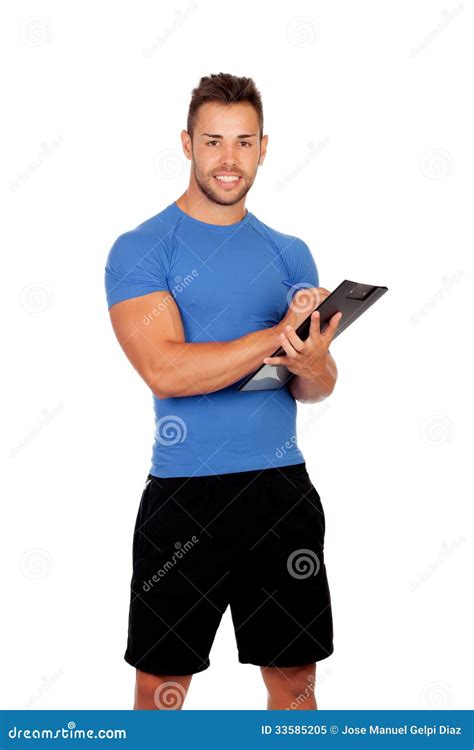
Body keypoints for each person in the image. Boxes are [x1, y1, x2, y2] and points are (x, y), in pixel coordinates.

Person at [104, 72, 341, 710]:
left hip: (282, 489)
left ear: (264, 147)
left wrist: (311, 357)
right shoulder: (142, 248)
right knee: (163, 692)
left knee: (295, 688)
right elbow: (167, 371)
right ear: (187, 144)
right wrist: (278, 334)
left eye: (243, 142)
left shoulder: (290, 253)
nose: (228, 160)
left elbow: (314, 387)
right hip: (186, 497)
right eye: (213, 142)